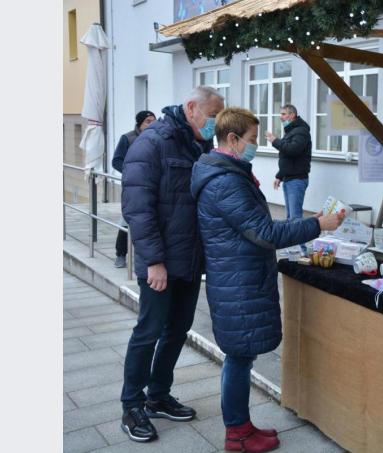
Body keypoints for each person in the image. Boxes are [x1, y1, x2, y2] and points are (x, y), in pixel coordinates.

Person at [190, 107, 344, 453]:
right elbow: (264, 232)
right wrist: (318, 225)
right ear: (232, 140)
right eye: (252, 140)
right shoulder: (226, 181)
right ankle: (237, 434)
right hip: (237, 281)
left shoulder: (226, 172)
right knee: (239, 358)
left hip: (238, 276)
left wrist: (314, 221)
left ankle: (241, 426)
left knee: (240, 357)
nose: (256, 146)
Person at [119, 86, 225, 443]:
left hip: (191, 260)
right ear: (192, 108)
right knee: (148, 332)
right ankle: (131, 405)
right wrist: (154, 262)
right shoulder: (152, 143)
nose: (215, 123)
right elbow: (137, 208)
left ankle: (158, 395)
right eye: (213, 115)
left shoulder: (199, 145)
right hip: (161, 264)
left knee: (177, 331)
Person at [111, 110, 156, 268]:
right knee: (127, 220)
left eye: (154, 121)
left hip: (152, 186)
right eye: (148, 121)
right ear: (140, 123)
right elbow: (116, 160)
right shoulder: (128, 138)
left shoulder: (157, 138)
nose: (152, 124)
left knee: (148, 220)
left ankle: (144, 255)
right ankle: (121, 254)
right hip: (133, 187)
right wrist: (132, 173)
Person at [265, 104, 311, 220]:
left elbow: (292, 150)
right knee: (290, 217)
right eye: (281, 114)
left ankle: (298, 238)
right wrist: (279, 176)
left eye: (283, 114)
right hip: (289, 178)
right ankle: (292, 238)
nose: (281, 117)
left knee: (295, 218)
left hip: (297, 180)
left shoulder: (301, 131)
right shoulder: (291, 131)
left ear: (292, 115)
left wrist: (275, 141)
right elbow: (288, 158)